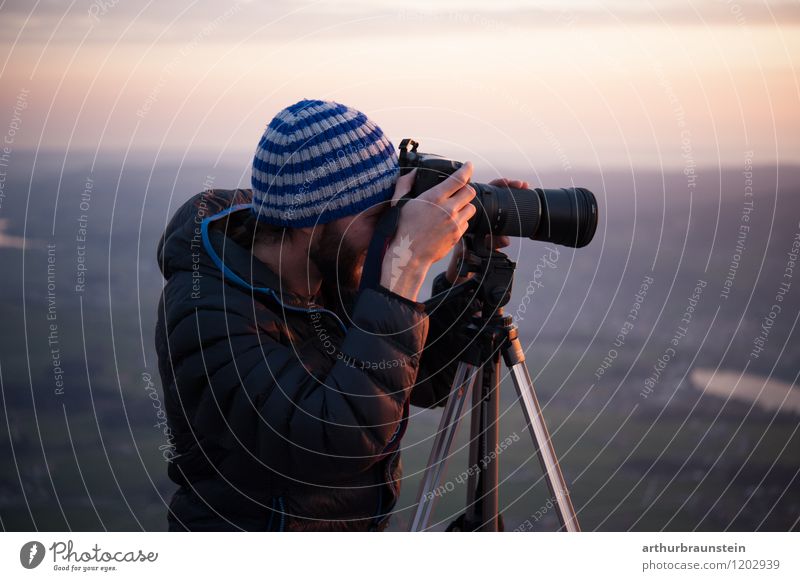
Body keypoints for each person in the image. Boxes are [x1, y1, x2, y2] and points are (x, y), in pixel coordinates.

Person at [154, 99, 527, 531]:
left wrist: (466, 271)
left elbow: (414, 378)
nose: (390, 231)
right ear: (312, 219)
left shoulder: (328, 273)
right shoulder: (208, 313)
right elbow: (337, 442)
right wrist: (405, 267)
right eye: (377, 216)